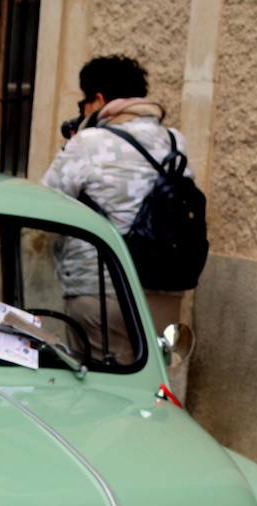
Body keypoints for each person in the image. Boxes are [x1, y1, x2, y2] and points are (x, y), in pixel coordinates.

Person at [41, 55, 193, 378]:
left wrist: (72, 144)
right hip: (162, 288)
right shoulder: (174, 141)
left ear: (98, 100)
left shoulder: (88, 143)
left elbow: (45, 203)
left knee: (99, 388)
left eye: (83, 102)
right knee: (154, 387)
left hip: (100, 289)